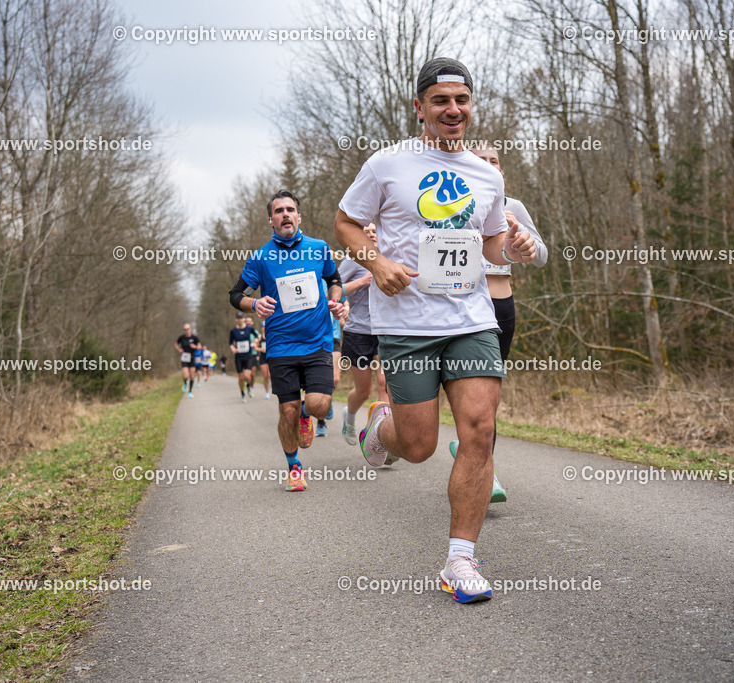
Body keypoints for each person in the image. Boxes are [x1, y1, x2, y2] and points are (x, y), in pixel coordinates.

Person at [335, 57, 535, 602]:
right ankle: (380, 433)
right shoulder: (386, 165)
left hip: (471, 320)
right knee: (419, 445)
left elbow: (492, 245)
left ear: (472, 106)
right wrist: (375, 263)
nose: (453, 110)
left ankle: (460, 559)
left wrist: (511, 248)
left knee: (478, 429)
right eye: (441, 101)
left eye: (462, 100)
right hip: (407, 324)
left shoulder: (486, 174)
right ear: (420, 107)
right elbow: (346, 222)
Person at [448, 143, 549, 503]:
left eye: (495, 161)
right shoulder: (449, 206)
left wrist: (524, 241)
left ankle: (481, 465)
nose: (490, 165)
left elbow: (542, 256)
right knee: (467, 395)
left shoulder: (513, 207)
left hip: (501, 307)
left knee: (488, 398)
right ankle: (477, 459)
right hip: (462, 309)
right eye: (481, 161)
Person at [229, 190, 347, 491]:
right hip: (281, 345)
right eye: (278, 211)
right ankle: (294, 467)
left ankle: (308, 416)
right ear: (271, 220)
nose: (285, 214)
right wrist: (254, 305)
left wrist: (335, 300)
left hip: (318, 341)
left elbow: (335, 280)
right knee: (287, 410)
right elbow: (235, 294)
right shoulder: (261, 258)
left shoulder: (319, 249)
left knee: (319, 404)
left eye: (290, 209)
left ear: (299, 216)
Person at [339, 225, 390, 446]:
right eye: (365, 230)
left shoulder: (392, 255)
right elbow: (331, 289)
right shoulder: (353, 259)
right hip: (358, 332)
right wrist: (361, 282)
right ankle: (349, 415)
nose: (371, 233)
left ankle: (382, 437)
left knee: (384, 382)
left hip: (385, 331)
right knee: (363, 391)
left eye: (375, 229)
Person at [229, 312, 256, 402]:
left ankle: (248, 386)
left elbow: (257, 336)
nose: (240, 320)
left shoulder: (249, 328)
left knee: (247, 377)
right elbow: (230, 343)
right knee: (241, 377)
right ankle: (242, 394)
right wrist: (233, 348)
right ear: (236, 319)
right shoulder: (233, 331)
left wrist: (254, 343)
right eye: (238, 318)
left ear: (244, 319)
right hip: (239, 357)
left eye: (241, 318)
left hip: (248, 355)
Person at [175, 324, 200, 398]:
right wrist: (179, 349)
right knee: (186, 375)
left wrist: (195, 346)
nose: (186, 330)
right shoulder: (181, 338)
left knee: (192, 376)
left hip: (192, 358)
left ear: (190, 329)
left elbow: (199, 346)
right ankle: (185, 383)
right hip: (185, 357)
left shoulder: (194, 338)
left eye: (188, 329)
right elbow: (176, 344)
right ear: (184, 330)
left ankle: (190, 392)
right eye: (185, 329)